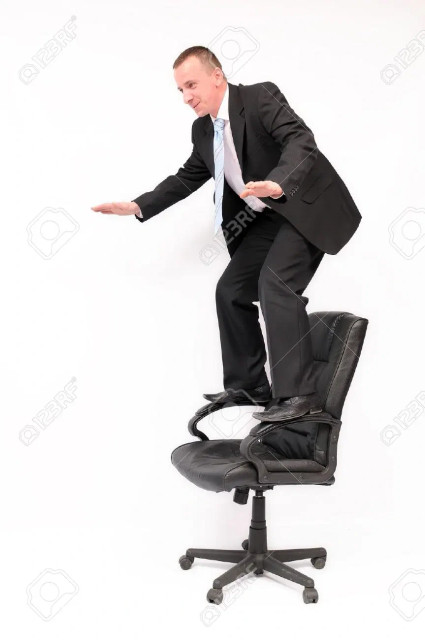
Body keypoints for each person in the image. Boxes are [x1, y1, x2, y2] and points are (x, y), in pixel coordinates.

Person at [92, 45, 362, 423]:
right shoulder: (203, 129)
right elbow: (187, 177)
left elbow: (302, 141)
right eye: (180, 90)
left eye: (191, 85)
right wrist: (139, 206)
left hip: (301, 209)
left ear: (216, 76)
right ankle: (249, 385)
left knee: (276, 286)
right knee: (231, 291)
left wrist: (277, 183)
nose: (186, 97)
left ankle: (300, 395)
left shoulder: (259, 96)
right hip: (265, 221)